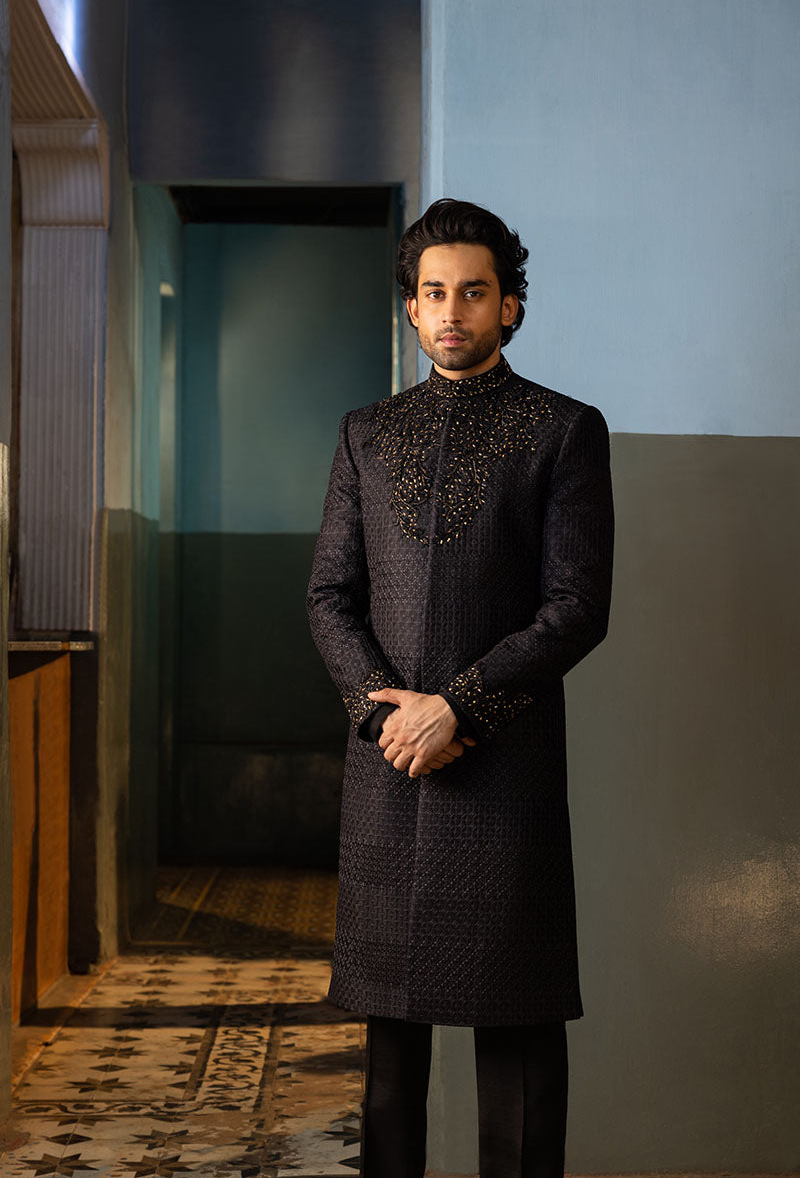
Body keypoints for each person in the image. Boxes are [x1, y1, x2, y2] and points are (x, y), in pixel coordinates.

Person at [306, 198, 614, 1178]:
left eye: (473, 293)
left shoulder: (563, 430)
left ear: (509, 306)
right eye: (433, 293)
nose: (451, 312)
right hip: (390, 769)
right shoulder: (365, 433)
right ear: (410, 307)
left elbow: (576, 608)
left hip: (502, 771)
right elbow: (329, 597)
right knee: (388, 1060)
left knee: (518, 1039)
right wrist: (386, 717)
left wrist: (457, 708)